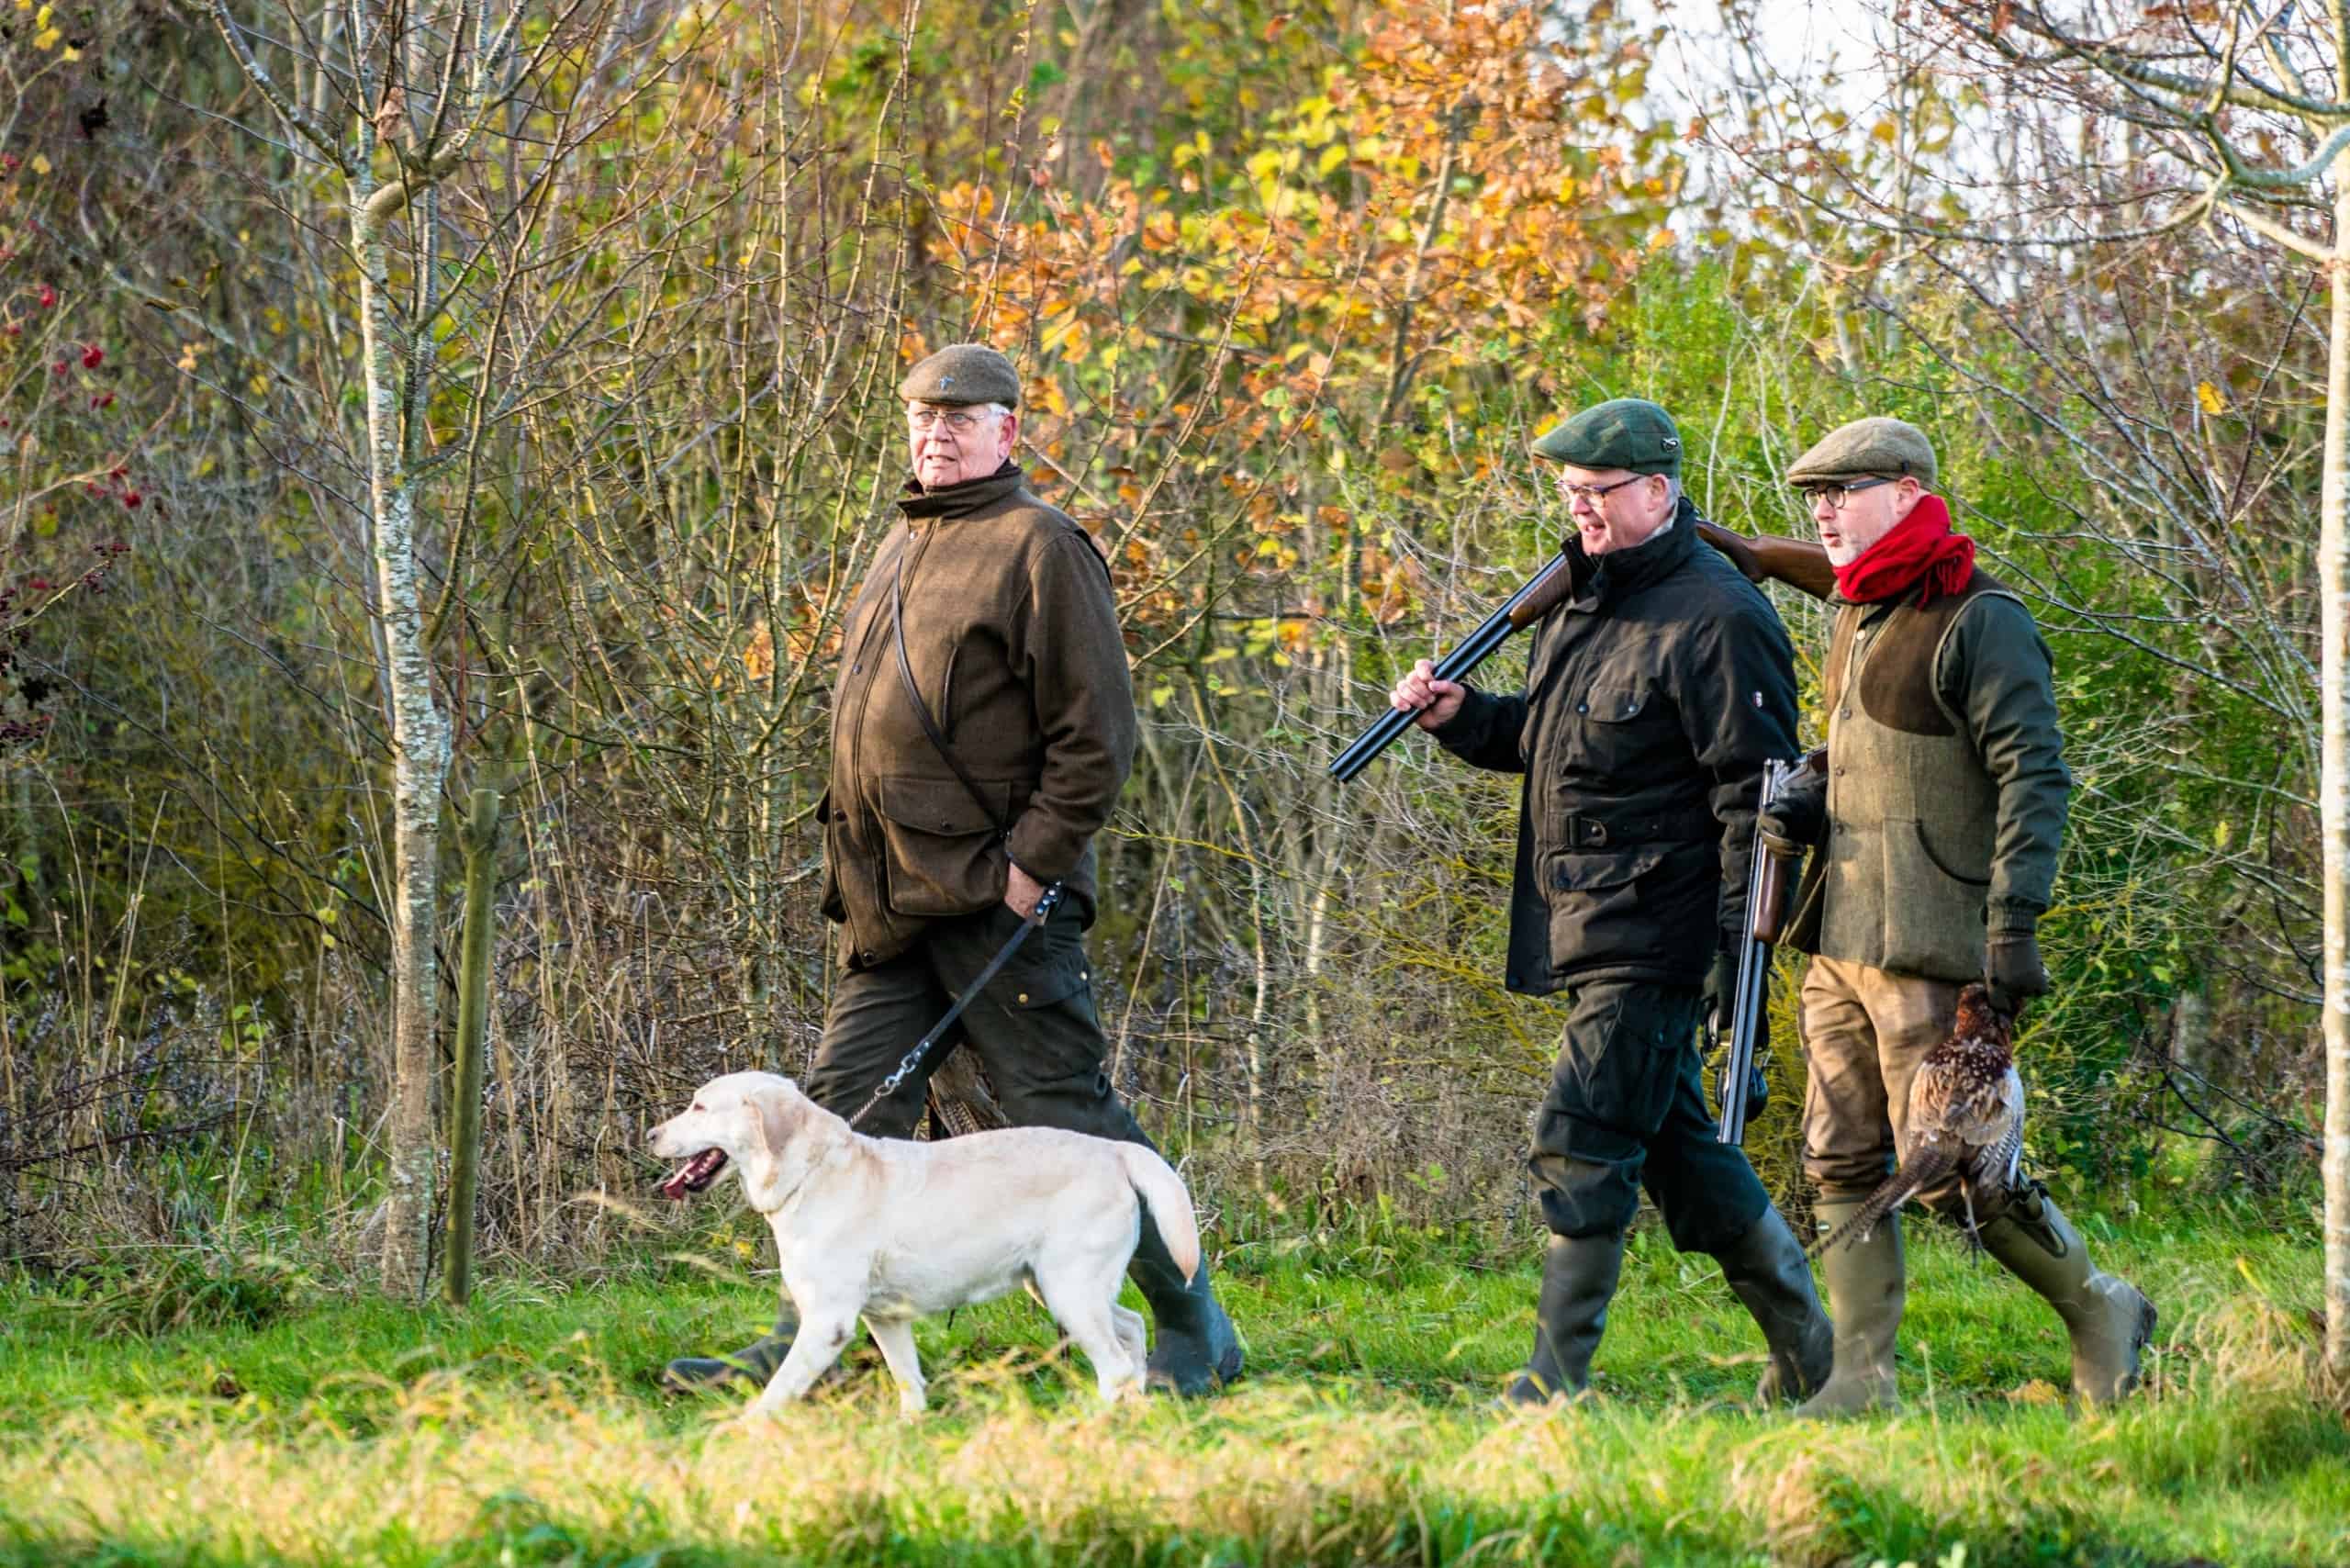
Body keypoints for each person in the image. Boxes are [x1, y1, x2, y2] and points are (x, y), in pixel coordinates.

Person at [663, 343, 1243, 1396]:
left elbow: (1095, 740)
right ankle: (813, 1334)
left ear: (1007, 432)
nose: (935, 433)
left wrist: (1031, 871)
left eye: (960, 418)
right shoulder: (903, 538)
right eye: (923, 418)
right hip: (889, 905)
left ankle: (1193, 1329)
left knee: (1067, 1115)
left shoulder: (1042, 546)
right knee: (835, 1107)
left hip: (997, 902)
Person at [1389, 398, 1831, 1404]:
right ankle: (1818, 1360)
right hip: (1588, 921)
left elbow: (1754, 803)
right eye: (1570, 495)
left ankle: (1550, 1389)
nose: (1579, 512)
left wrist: (1734, 964)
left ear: (1659, 491)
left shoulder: (1720, 615)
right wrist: (1462, 718)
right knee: (1684, 1155)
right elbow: (1558, 747)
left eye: (1596, 493)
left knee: (1580, 1131)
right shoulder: (1587, 602)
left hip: (1658, 934)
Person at [1740, 415, 2154, 1413]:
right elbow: (1872, 752)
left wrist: (2012, 924)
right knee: (1837, 1157)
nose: (1826, 512)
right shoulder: (1860, 609)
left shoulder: (1982, 617)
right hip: (1839, 936)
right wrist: (1809, 784)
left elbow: (2034, 775)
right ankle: (1862, 1377)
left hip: (1938, 943)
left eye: (1846, 491)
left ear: (1911, 493)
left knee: (1952, 1171)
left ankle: (2101, 1306)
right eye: (1816, 499)